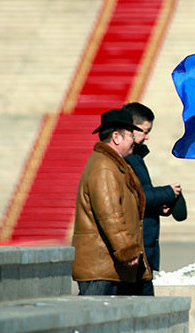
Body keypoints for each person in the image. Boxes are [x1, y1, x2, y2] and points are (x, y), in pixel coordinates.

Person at [72, 108, 150, 295]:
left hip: (111, 266)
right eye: (131, 135)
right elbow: (110, 214)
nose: (136, 140)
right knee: (94, 321)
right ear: (117, 137)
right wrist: (126, 249)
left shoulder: (114, 163)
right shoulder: (105, 167)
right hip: (101, 268)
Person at [123, 102, 183, 295]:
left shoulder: (136, 157)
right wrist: (168, 192)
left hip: (142, 248)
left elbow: (140, 196)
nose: (147, 137)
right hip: (134, 250)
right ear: (130, 129)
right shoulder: (127, 158)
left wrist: (158, 206)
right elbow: (134, 197)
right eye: (144, 131)